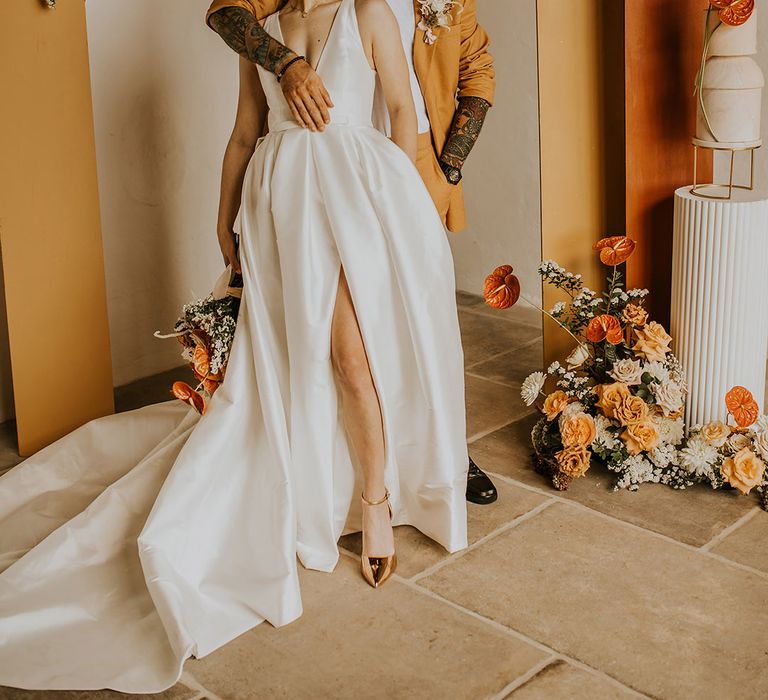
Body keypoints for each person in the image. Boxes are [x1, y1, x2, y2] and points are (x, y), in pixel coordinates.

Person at [0, 0, 468, 692]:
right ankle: (317, 487)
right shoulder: (262, 30)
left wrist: (393, 211)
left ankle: (375, 502)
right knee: (295, 359)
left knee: (350, 359)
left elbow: (402, 113)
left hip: (353, 197)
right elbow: (246, 132)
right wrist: (223, 217)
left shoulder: (368, 11)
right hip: (281, 204)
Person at [206, 0, 499, 504]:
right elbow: (226, 26)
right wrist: (223, 214)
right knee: (309, 337)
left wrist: (440, 174)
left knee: (411, 325)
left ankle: (436, 452)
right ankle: (328, 473)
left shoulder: (401, 8)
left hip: (399, 167)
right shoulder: (268, 25)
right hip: (295, 196)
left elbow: (472, 78)